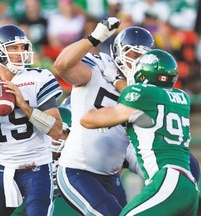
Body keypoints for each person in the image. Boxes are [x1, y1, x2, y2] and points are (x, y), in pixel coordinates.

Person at [80, 49, 199, 215]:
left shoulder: (143, 95)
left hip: (167, 180)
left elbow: (88, 120)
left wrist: (114, 80)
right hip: (189, 185)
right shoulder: (181, 97)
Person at [0, 24, 63, 216]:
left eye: (22, 47)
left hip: (38, 168)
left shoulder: (38, 78)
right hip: (4, 170)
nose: (20, 53)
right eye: (13, 48)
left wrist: (24, 105)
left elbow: (56, 130)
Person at [53, 17, 134, 215]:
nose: (136, 61)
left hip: (111, 171)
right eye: (132, 53)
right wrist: (94, 38)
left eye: (142, 56)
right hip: (78, 167)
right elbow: (62, 65)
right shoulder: (100, 65)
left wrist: (116, 80)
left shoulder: (139, 86)